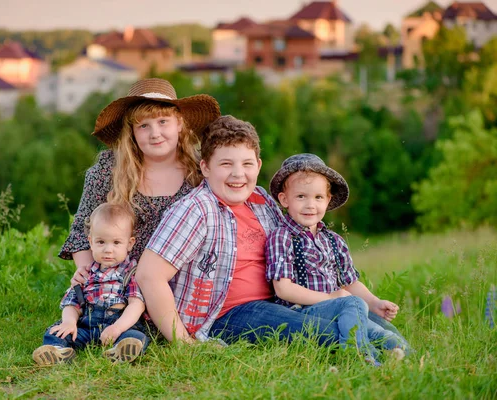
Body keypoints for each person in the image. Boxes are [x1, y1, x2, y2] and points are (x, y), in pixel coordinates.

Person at [135, 116, 342, 346]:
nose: (238, 174)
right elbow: (149, 275)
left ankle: (387, 343)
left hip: (279, 303)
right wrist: (183, 343)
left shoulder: (261, 199)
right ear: (205, 167)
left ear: (258, 166)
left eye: (247, 164)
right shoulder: (197, 209)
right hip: (226, 316)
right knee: (323, 331)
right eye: (226, 164)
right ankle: (380, 349)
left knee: (351, 311)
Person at [59, 78, 220, 286]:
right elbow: (82, 230)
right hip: (119, 285)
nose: (155, 134)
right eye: (144, 126)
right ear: (132, 132)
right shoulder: (109, 170)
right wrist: (88, 273)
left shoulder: (202, 172)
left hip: (185, 287)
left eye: (163, 122)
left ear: (179, 123)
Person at [266, 153, 409, 357]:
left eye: (318, 197)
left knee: (384, 330)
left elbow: (349, 283)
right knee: (354, 306)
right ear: (284, 199)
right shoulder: (282, 237)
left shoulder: (334, 240)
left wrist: (374, 302)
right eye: (301, 196)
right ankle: (359, 356)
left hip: (343, 307)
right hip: (302, 312)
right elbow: (283, 289)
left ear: (328, 200)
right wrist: (330, 298)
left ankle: (411, 360)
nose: (310, 205)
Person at [34, 204, 147, 365]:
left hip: (118, 325)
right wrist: (69, 322)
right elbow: (72, 303)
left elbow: (136, 305)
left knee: (136, 337)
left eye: (116, 242)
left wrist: (117, 328)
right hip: (87, 327)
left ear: (129, 244)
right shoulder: (86, 274)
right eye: (101, 242)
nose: (108, 249)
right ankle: (57, 351)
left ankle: (121, 351)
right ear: (91, 242)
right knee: (56, 331)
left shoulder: (131, 273)